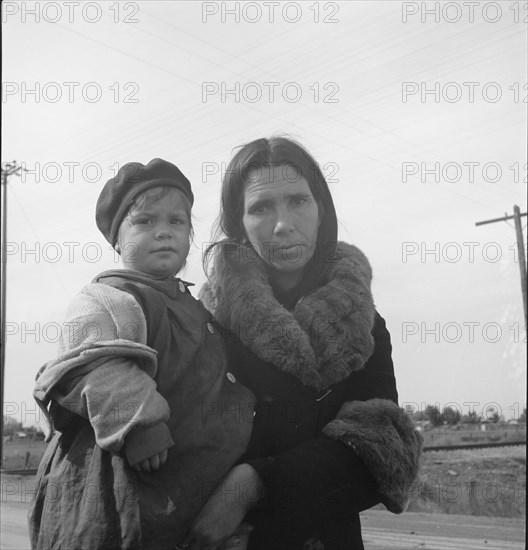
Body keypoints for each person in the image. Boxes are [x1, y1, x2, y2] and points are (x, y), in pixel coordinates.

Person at [191, 137, 424, 550]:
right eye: (261, 208)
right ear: (237, 223)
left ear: (322, 212)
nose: (283, 224)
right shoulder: (205, 322)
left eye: (298, 200)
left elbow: (378, 454)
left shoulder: (363, 324)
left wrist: (255, 483)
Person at [28, 159, 255, 550]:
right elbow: (91, 362)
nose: (164, 232)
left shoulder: (197, 307)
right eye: (145, 222)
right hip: (120, 479)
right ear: (117, 240)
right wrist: (139, 421)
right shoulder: (112, 296)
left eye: (177, 222)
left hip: (179, 485)